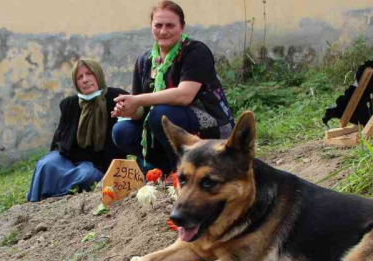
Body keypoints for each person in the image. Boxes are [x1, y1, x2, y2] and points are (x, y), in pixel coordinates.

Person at [110, 1, 234, 174]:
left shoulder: (195, 51)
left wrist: (137, 100)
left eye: (170, 25)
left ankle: (183, 168)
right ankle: (168, 168)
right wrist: (129, 109)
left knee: (161, 114)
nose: (163, 31)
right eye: (158, 25)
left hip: (209, 123)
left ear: (182, 27)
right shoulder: (144, 61)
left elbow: (185, 96)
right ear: (151, 27)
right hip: (162, 124)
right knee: (122, 131)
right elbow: (140, 110)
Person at [27, 59, 128, 202]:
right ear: (76, 83)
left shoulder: (116, 98)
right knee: (46, 164)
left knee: (87, 175)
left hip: (97, 165)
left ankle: (58, 196)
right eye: (79, 77)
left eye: (89, 74)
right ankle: (38, 201)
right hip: (70, 159)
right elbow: (59, 139)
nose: (85, 80)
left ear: (98, 75)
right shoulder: (69, 104)